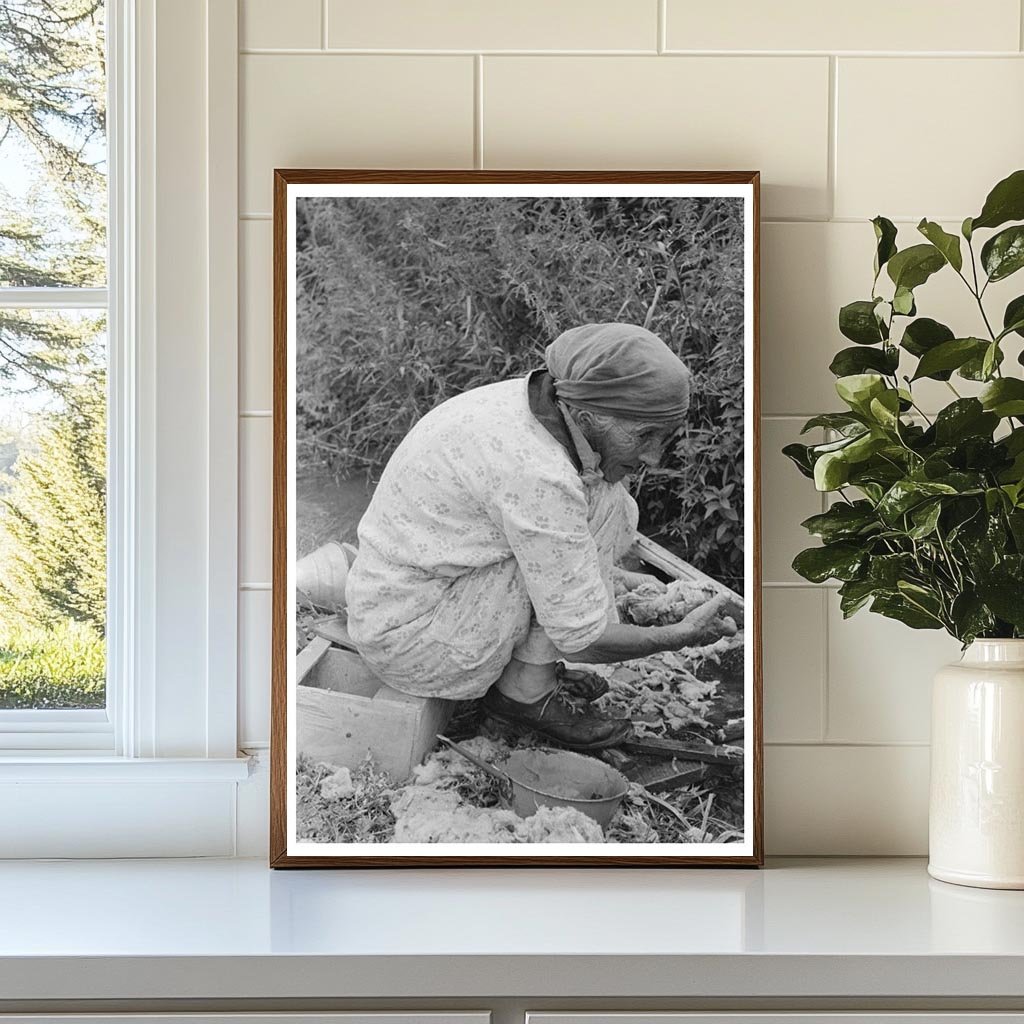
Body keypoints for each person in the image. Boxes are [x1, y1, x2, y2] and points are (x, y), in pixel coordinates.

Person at [345, 322, 739, 749]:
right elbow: (582, 639)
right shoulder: (537, 473)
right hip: (412, 641)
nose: (653, 457)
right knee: (575, 535)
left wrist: (614, 580)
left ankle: (530, 675)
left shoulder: (551, 402)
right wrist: (677, 637)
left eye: (664, 437)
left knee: (606, 495)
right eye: (644, 436)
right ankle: (524, 694)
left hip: (417, 597)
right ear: (587, 416)